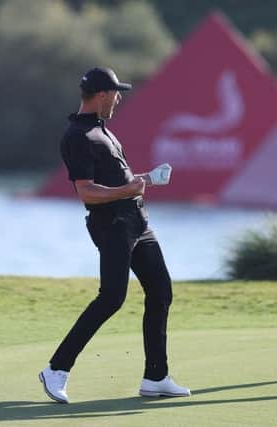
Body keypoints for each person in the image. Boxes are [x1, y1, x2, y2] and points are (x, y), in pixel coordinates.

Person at [38, 67, 190, 403]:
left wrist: (145, 179)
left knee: (161, 291)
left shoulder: (102, 130)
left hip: (137, 222)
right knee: (111, 298)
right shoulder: (77, 135)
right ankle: (56, 370)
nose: (119, 99)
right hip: (112, 225)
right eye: (116, 93)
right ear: (102, 94)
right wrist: (127, 190)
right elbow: (87, 192)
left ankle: (156, 376)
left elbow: (116, 180)